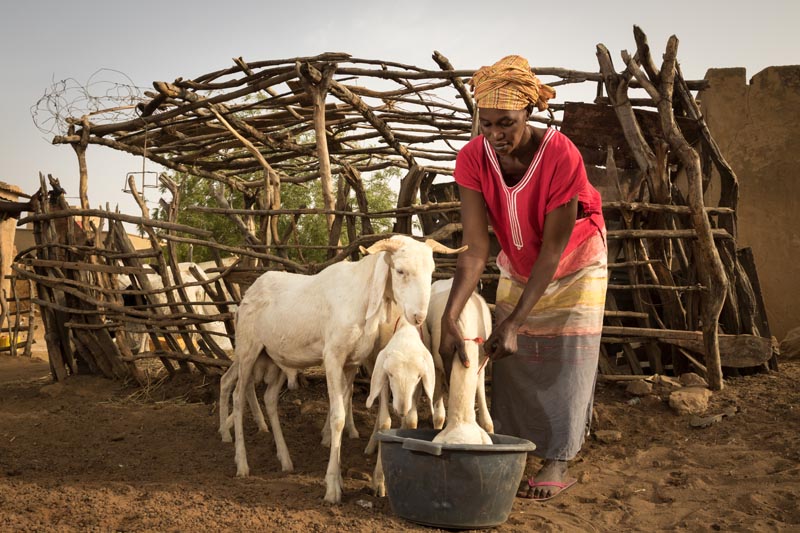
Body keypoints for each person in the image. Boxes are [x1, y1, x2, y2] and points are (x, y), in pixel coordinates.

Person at [439, 55, 608, 501]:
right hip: (518, 259)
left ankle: (558, 457)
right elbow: (475, 249)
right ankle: (514, 444)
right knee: (509, 354)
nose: (495, 134)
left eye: (506, 123)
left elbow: (553, 248)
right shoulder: (473, 159)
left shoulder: (560, 155)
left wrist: (516, 321)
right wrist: (449, 317)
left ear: (529, 113)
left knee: (567, 354)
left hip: (575, 257)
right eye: (486, 123)